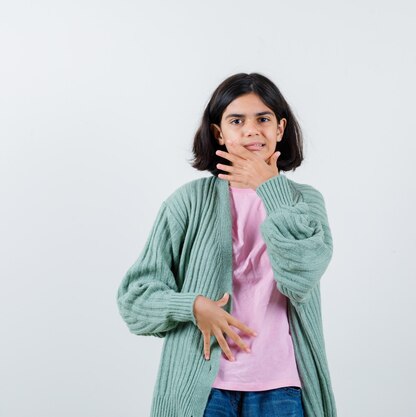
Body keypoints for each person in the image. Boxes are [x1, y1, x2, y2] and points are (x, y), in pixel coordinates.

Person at [116, 72, 336, 417]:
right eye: (237, 120)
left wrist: (271, 188)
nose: (251, 130)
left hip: (281, 385)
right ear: (219, 132)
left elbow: (301, 278)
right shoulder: (187, 203)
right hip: (203, 388)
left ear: (280, 128)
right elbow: (134, 300)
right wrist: (192, 306)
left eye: (263, 119)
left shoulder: (304, 202)